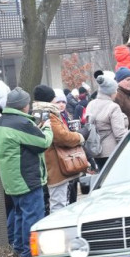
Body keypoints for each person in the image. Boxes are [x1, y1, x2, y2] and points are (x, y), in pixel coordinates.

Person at [0, 88, 54, 257]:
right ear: (24, 106)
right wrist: (48, 128)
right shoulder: (21, 124)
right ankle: (30, 254)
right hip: (27, 177)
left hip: (12, 179)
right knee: (33, 216)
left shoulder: (1, 122)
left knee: (19, 214)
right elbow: (43, 142)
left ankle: (19, 249)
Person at [30, 85, 85, 213]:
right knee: (58, 203)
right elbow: (61, 136)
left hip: (50, 162)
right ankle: (58, 228)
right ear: (48, 99)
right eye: (54, 99)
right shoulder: (47, 114)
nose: (57, 102)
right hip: (55, 163)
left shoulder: (40, 113)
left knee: (58, 200)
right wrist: (79, 136)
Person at [85, 75, 129, 168]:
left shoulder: (90, 104)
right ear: (111, 92)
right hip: (111, 151)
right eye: (115, 90)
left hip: (96, 150)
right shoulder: (113, 107)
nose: (116, 93)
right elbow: (119, 134)